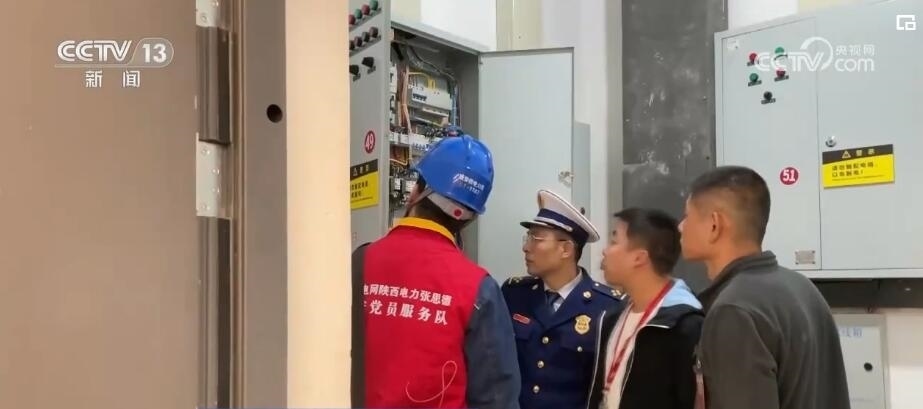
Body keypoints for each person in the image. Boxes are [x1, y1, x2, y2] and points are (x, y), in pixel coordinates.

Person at [355, 134, 521, 409]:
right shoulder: (478, 288)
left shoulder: (361, 261)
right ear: (469, 218)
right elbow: (497, 398)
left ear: (415, 192)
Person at [678, 165, 850, 409]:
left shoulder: (733, 310)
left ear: (714, 225)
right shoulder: (802, 287)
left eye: (688, 216)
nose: (681, 226)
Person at [502, 189, 623, 409]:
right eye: (528, 237)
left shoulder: (607, 306)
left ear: (566, 249)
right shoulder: (514, 293)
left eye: (536, 239)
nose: (526, 247)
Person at [587, 207, 704, 409]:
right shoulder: (612, 316)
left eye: (614, 242)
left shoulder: (684, 325)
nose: (605, 251)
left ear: (639, 258)